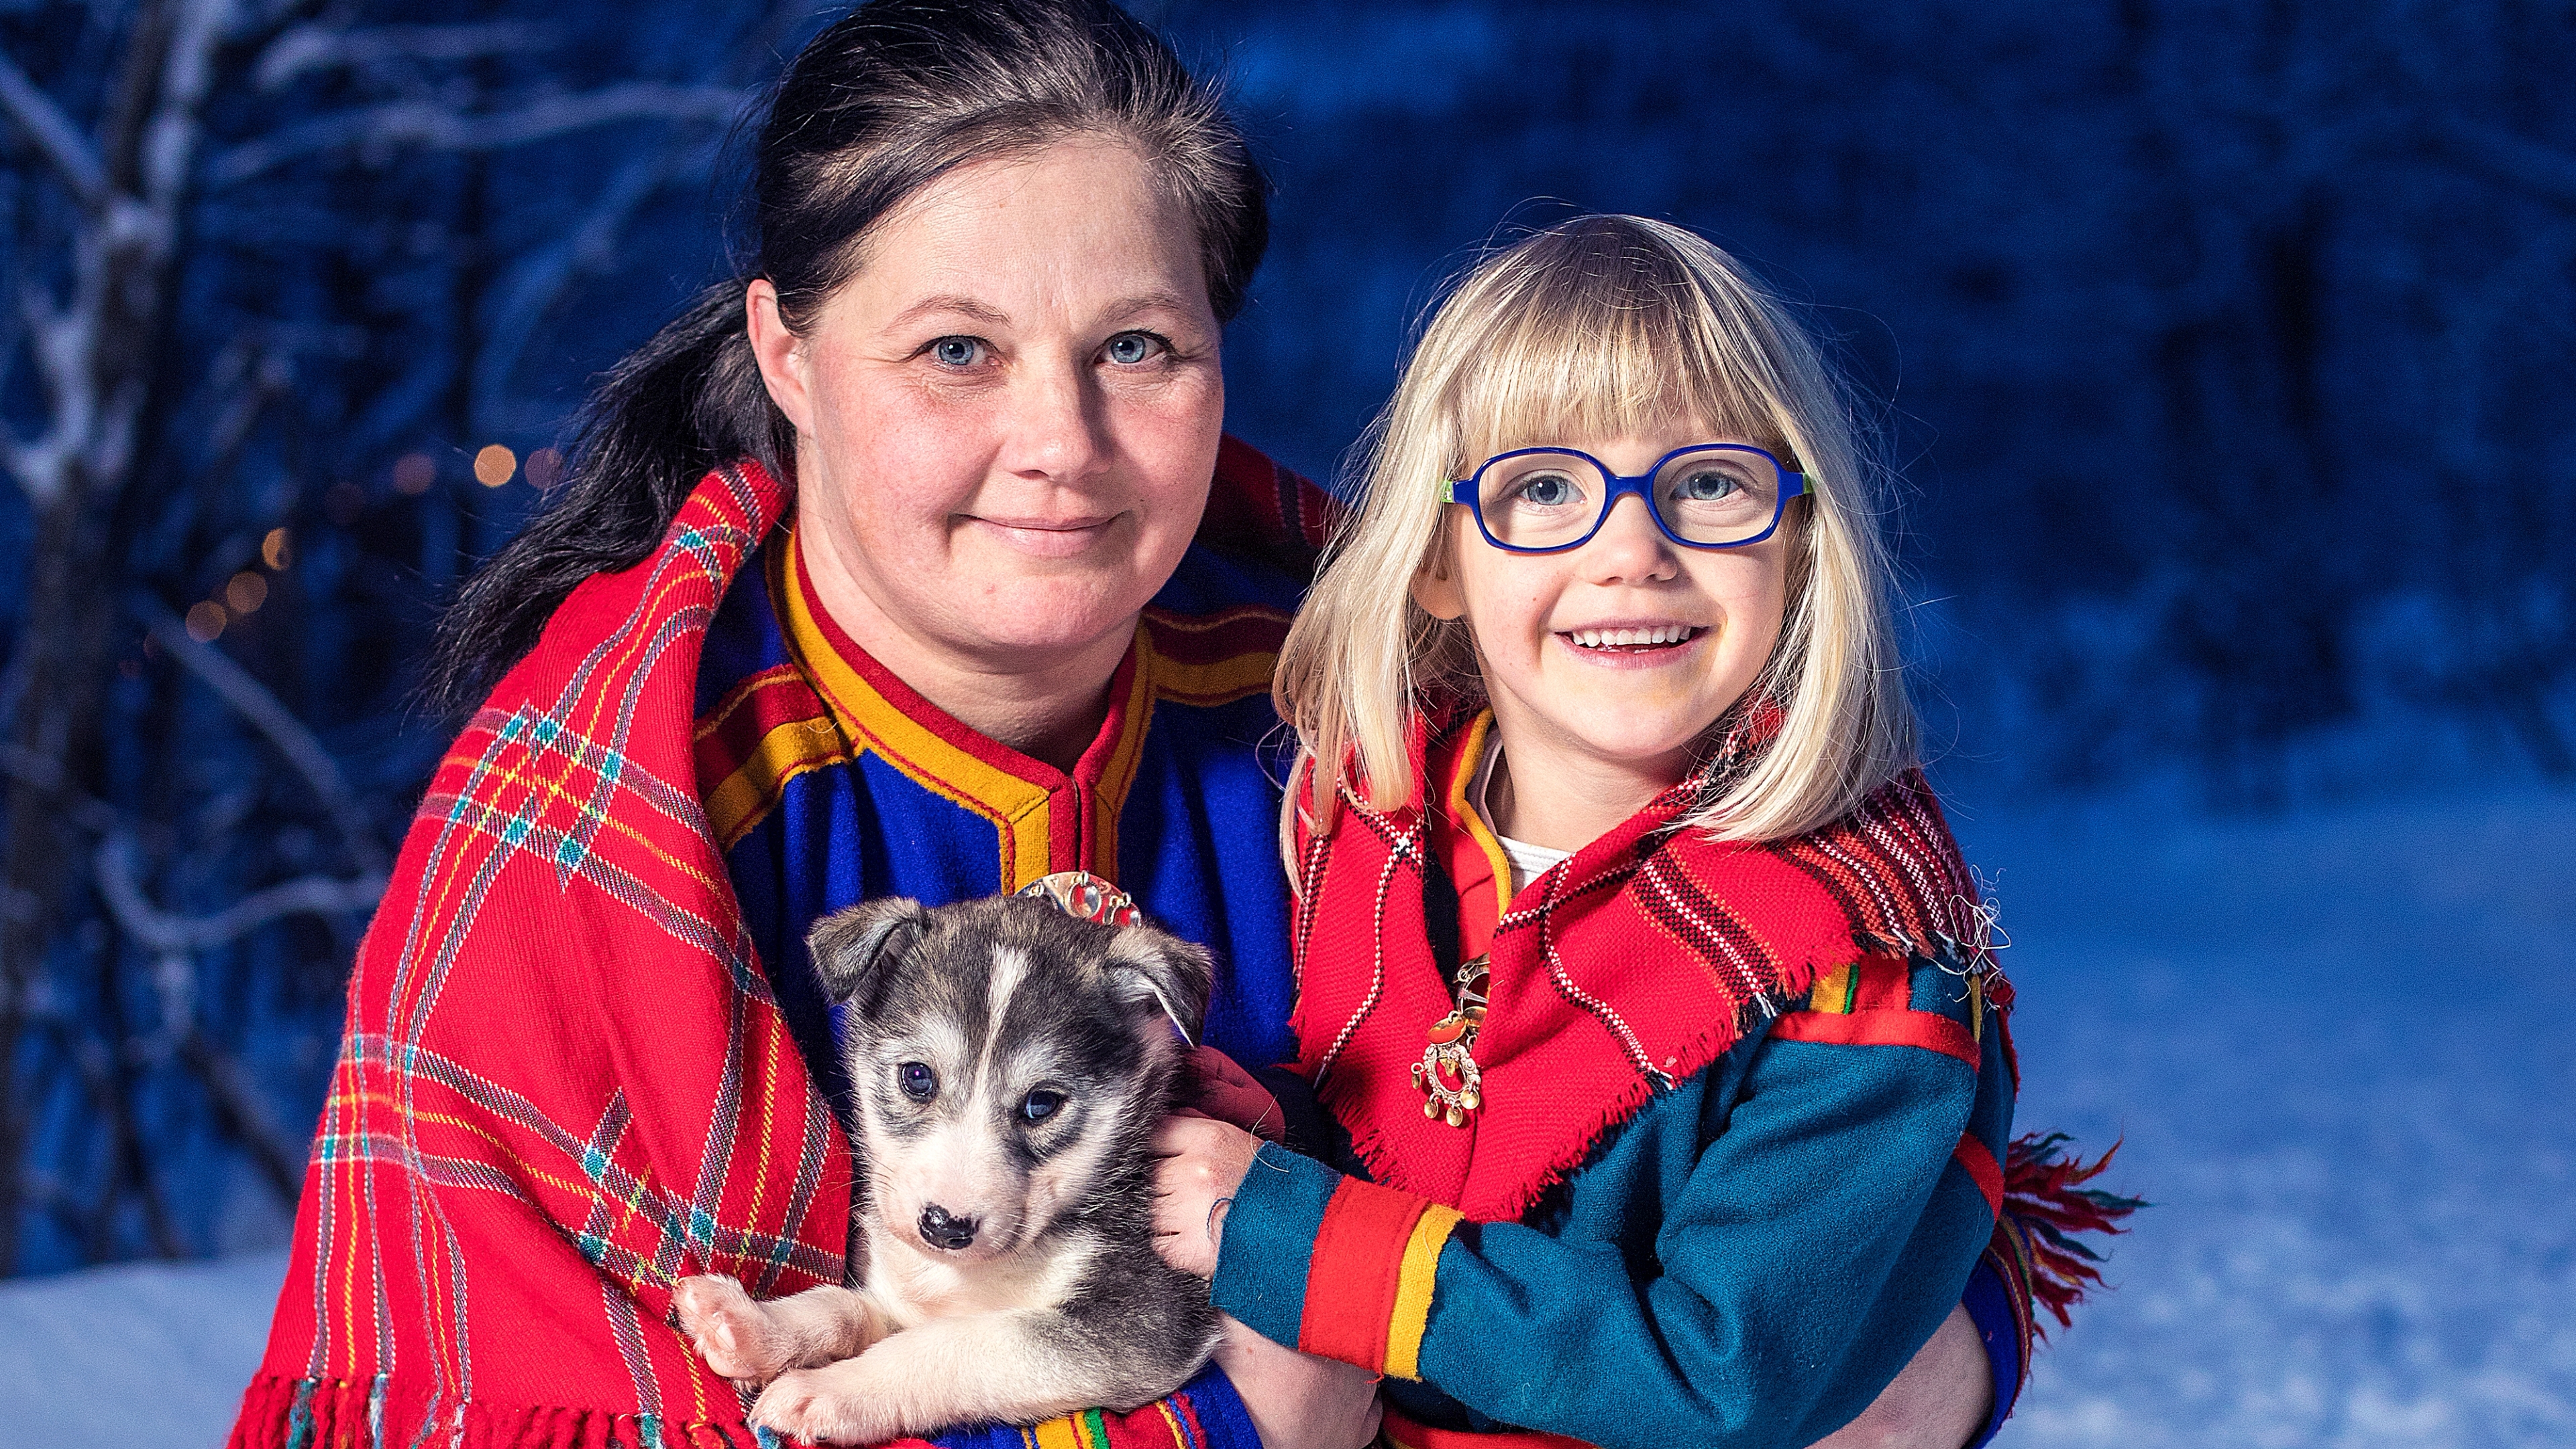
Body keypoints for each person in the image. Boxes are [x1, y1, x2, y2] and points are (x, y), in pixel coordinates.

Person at [229, 5, 2071, 1448]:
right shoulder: (606, 832)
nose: (1063, 444)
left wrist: (1945, 1358)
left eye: (1138, 349)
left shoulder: (1344, 705)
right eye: (956, 350)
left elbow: (1767, 1048)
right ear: (789, 354)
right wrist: (1220, 1427)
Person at [1148, 215, 2127, 1449]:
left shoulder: (1860, 964)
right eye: (1543, 489)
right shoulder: (1374, 827)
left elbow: (1723, 1375)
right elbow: (1421, 1140)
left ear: (1800, 541)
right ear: (1439, 561)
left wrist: (1287, 1228)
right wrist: (1277, 1130)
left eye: (1709, 484)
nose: (1631, 555)